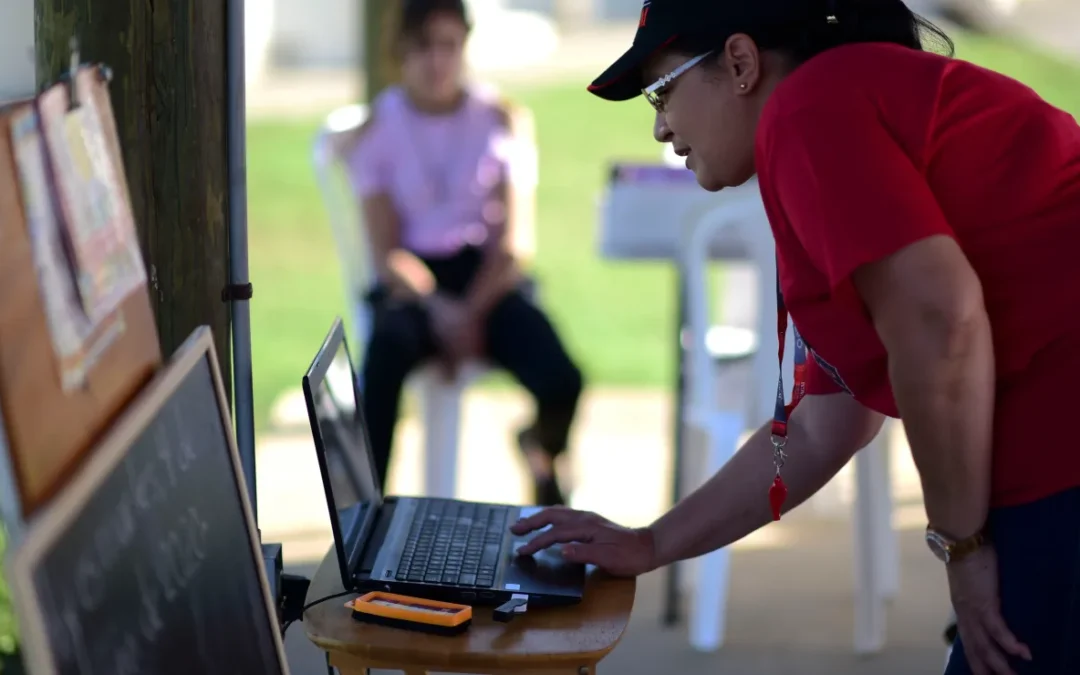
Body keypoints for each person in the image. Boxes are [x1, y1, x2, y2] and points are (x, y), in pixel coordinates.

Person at [510, 1, 1080, 673]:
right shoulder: (825, 110)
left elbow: (941, 322)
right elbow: (822, 428)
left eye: (663, 90)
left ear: (741, 62)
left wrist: (964, 546)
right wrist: (649, 543)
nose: (661, 125)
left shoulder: (809, 111)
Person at [346, 0, 583, 506]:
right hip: (416, 285)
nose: (437, 61)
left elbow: (516, 246)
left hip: (486, 278)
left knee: (562, 376)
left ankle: (541, 449)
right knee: (382, 360)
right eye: (423, 47)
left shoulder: (501, 119)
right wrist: (441, 310)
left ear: (464, 48)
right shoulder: (379, 127)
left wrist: (471, 312)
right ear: (401, 53)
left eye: (448, 46)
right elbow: (386, 253)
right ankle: (366, 515)